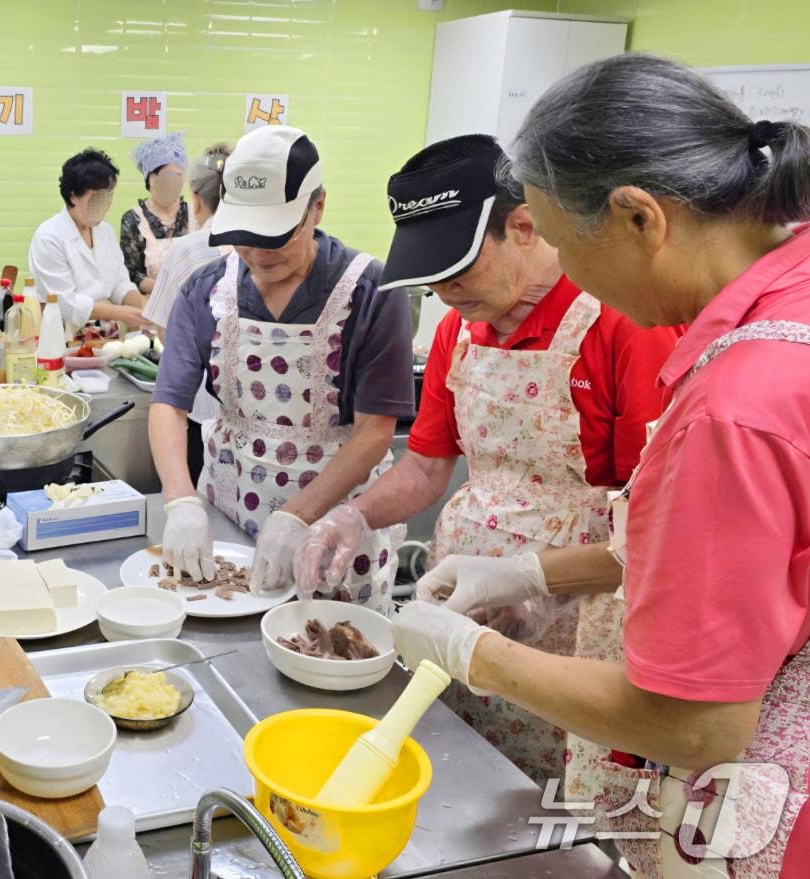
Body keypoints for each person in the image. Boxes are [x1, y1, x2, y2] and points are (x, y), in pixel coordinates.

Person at [393, 54, 810, 877]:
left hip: (763, 802)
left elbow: (697, 725)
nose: (568, 274)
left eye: (556, 240)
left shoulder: (736, 401)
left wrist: (474, 654)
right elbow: (753, 552)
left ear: (638, 218)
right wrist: (528, 571)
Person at [294, 135, 681, 788]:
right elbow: (424, 468)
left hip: (579, 629)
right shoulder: (458, 332)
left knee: (558, 800)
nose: (444, 292)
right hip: (466, 614)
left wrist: (530, 580)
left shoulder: (621, 325)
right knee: (468, 778)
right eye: (431, 276)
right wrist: (351, 516)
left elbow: (654, 524)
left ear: (524, 227)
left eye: (459, 269)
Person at [150, 125, 415, 609]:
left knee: (328, 644)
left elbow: (374, 431)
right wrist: (181, 501)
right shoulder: (207, 288)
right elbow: (168, 402)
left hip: (334, 528)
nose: (260, 252)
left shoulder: (371, 291)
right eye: (246, 237)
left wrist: (297, 517)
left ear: (317, 206)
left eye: (277, 235)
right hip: (228, 515)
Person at [143, 141, 233, 484]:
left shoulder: (188, 250)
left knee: (201, 503)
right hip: (263, 421)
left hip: (201, 412)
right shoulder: (269, 247)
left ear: (195, 198)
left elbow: (166, 330)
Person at [28, 148, 148, 330]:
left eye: (109, 197)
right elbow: (66, 304)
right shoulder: (49, 238)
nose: (104, 205)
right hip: (64, 334)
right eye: (97, 198)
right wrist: (120, 313)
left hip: (107, 333)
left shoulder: (105, 232)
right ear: (73, 196)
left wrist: (142, 304)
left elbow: (119, 283)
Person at [121, 131, 191, 295]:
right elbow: (131, 274)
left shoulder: (195, 213)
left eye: (178, 176)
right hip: (152, 306)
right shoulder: (133, 219)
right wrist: (167, 290)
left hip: (193, 305)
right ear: (150, 179)